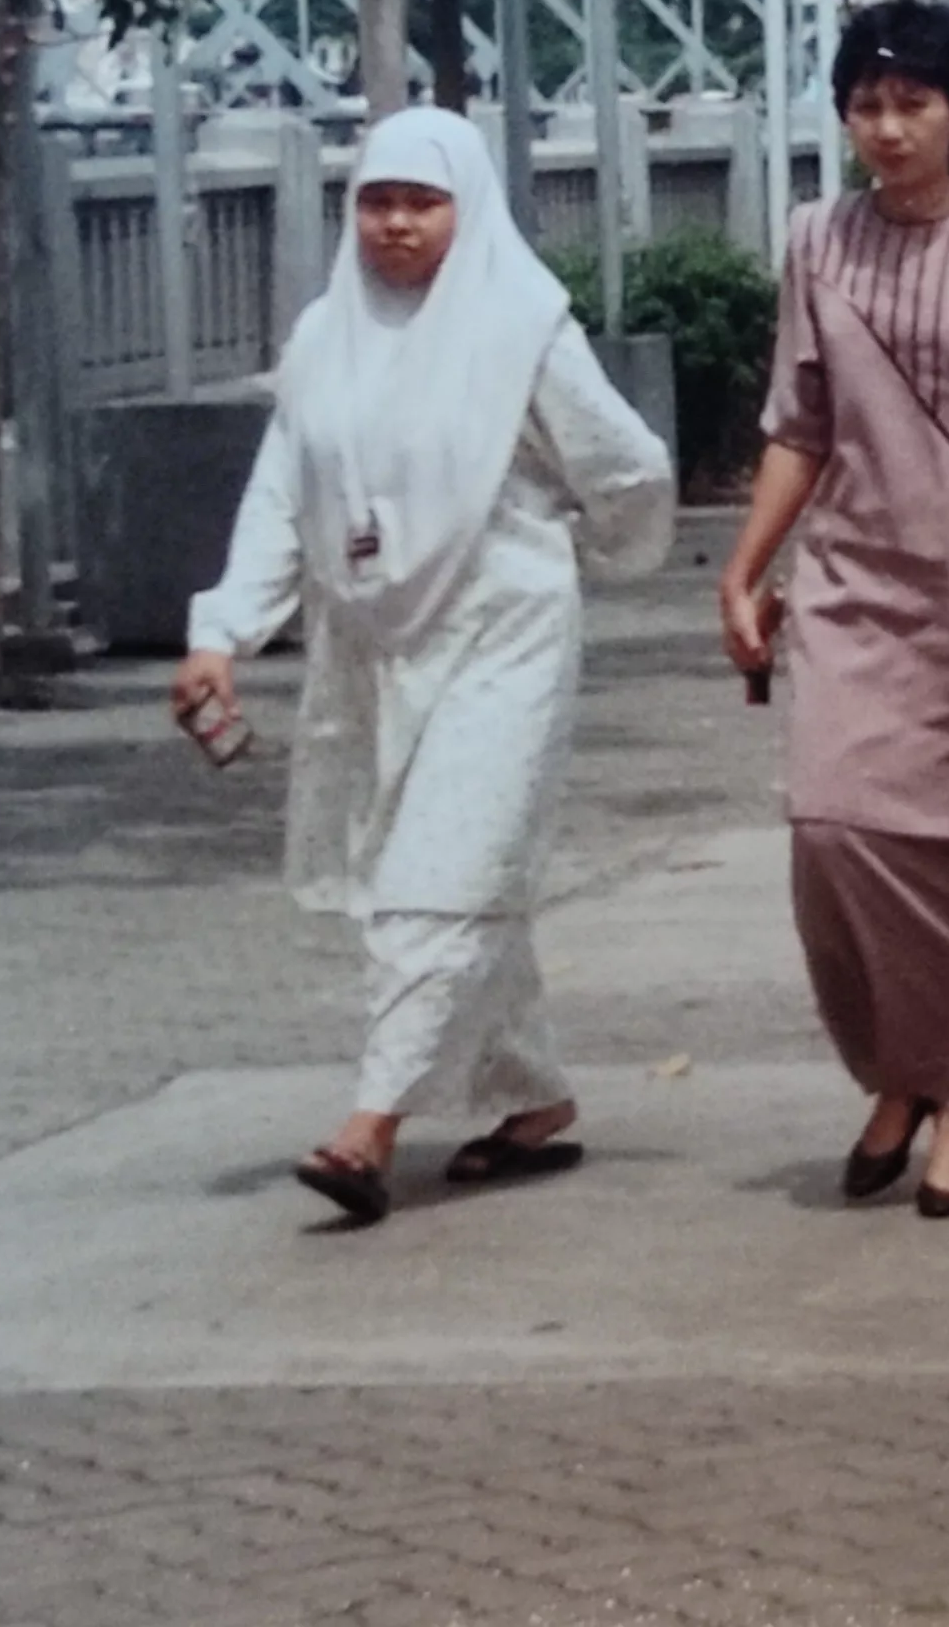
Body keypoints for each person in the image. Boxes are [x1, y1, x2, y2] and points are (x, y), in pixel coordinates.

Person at [177, 103, 674, 1227]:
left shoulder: (522, 326)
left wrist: (589, 546)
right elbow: (283, 492)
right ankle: (532, 1095)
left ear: (470, 207)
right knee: (444, 869)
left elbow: (628, 465)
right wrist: (221, 635)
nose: (396, 225)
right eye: (377, 201)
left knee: (441, 876)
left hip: (505, 630)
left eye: (422, 202)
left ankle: (371, 1126)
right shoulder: (323, 338)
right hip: (374, 640)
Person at [717, 0, 949, 1219]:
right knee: (834, 839)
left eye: (912, 104)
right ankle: (898, 1067)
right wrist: (743, 568)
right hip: (852, 586)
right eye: (866, 105)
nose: (886, 129)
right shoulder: (816, 241)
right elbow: (799, 421)